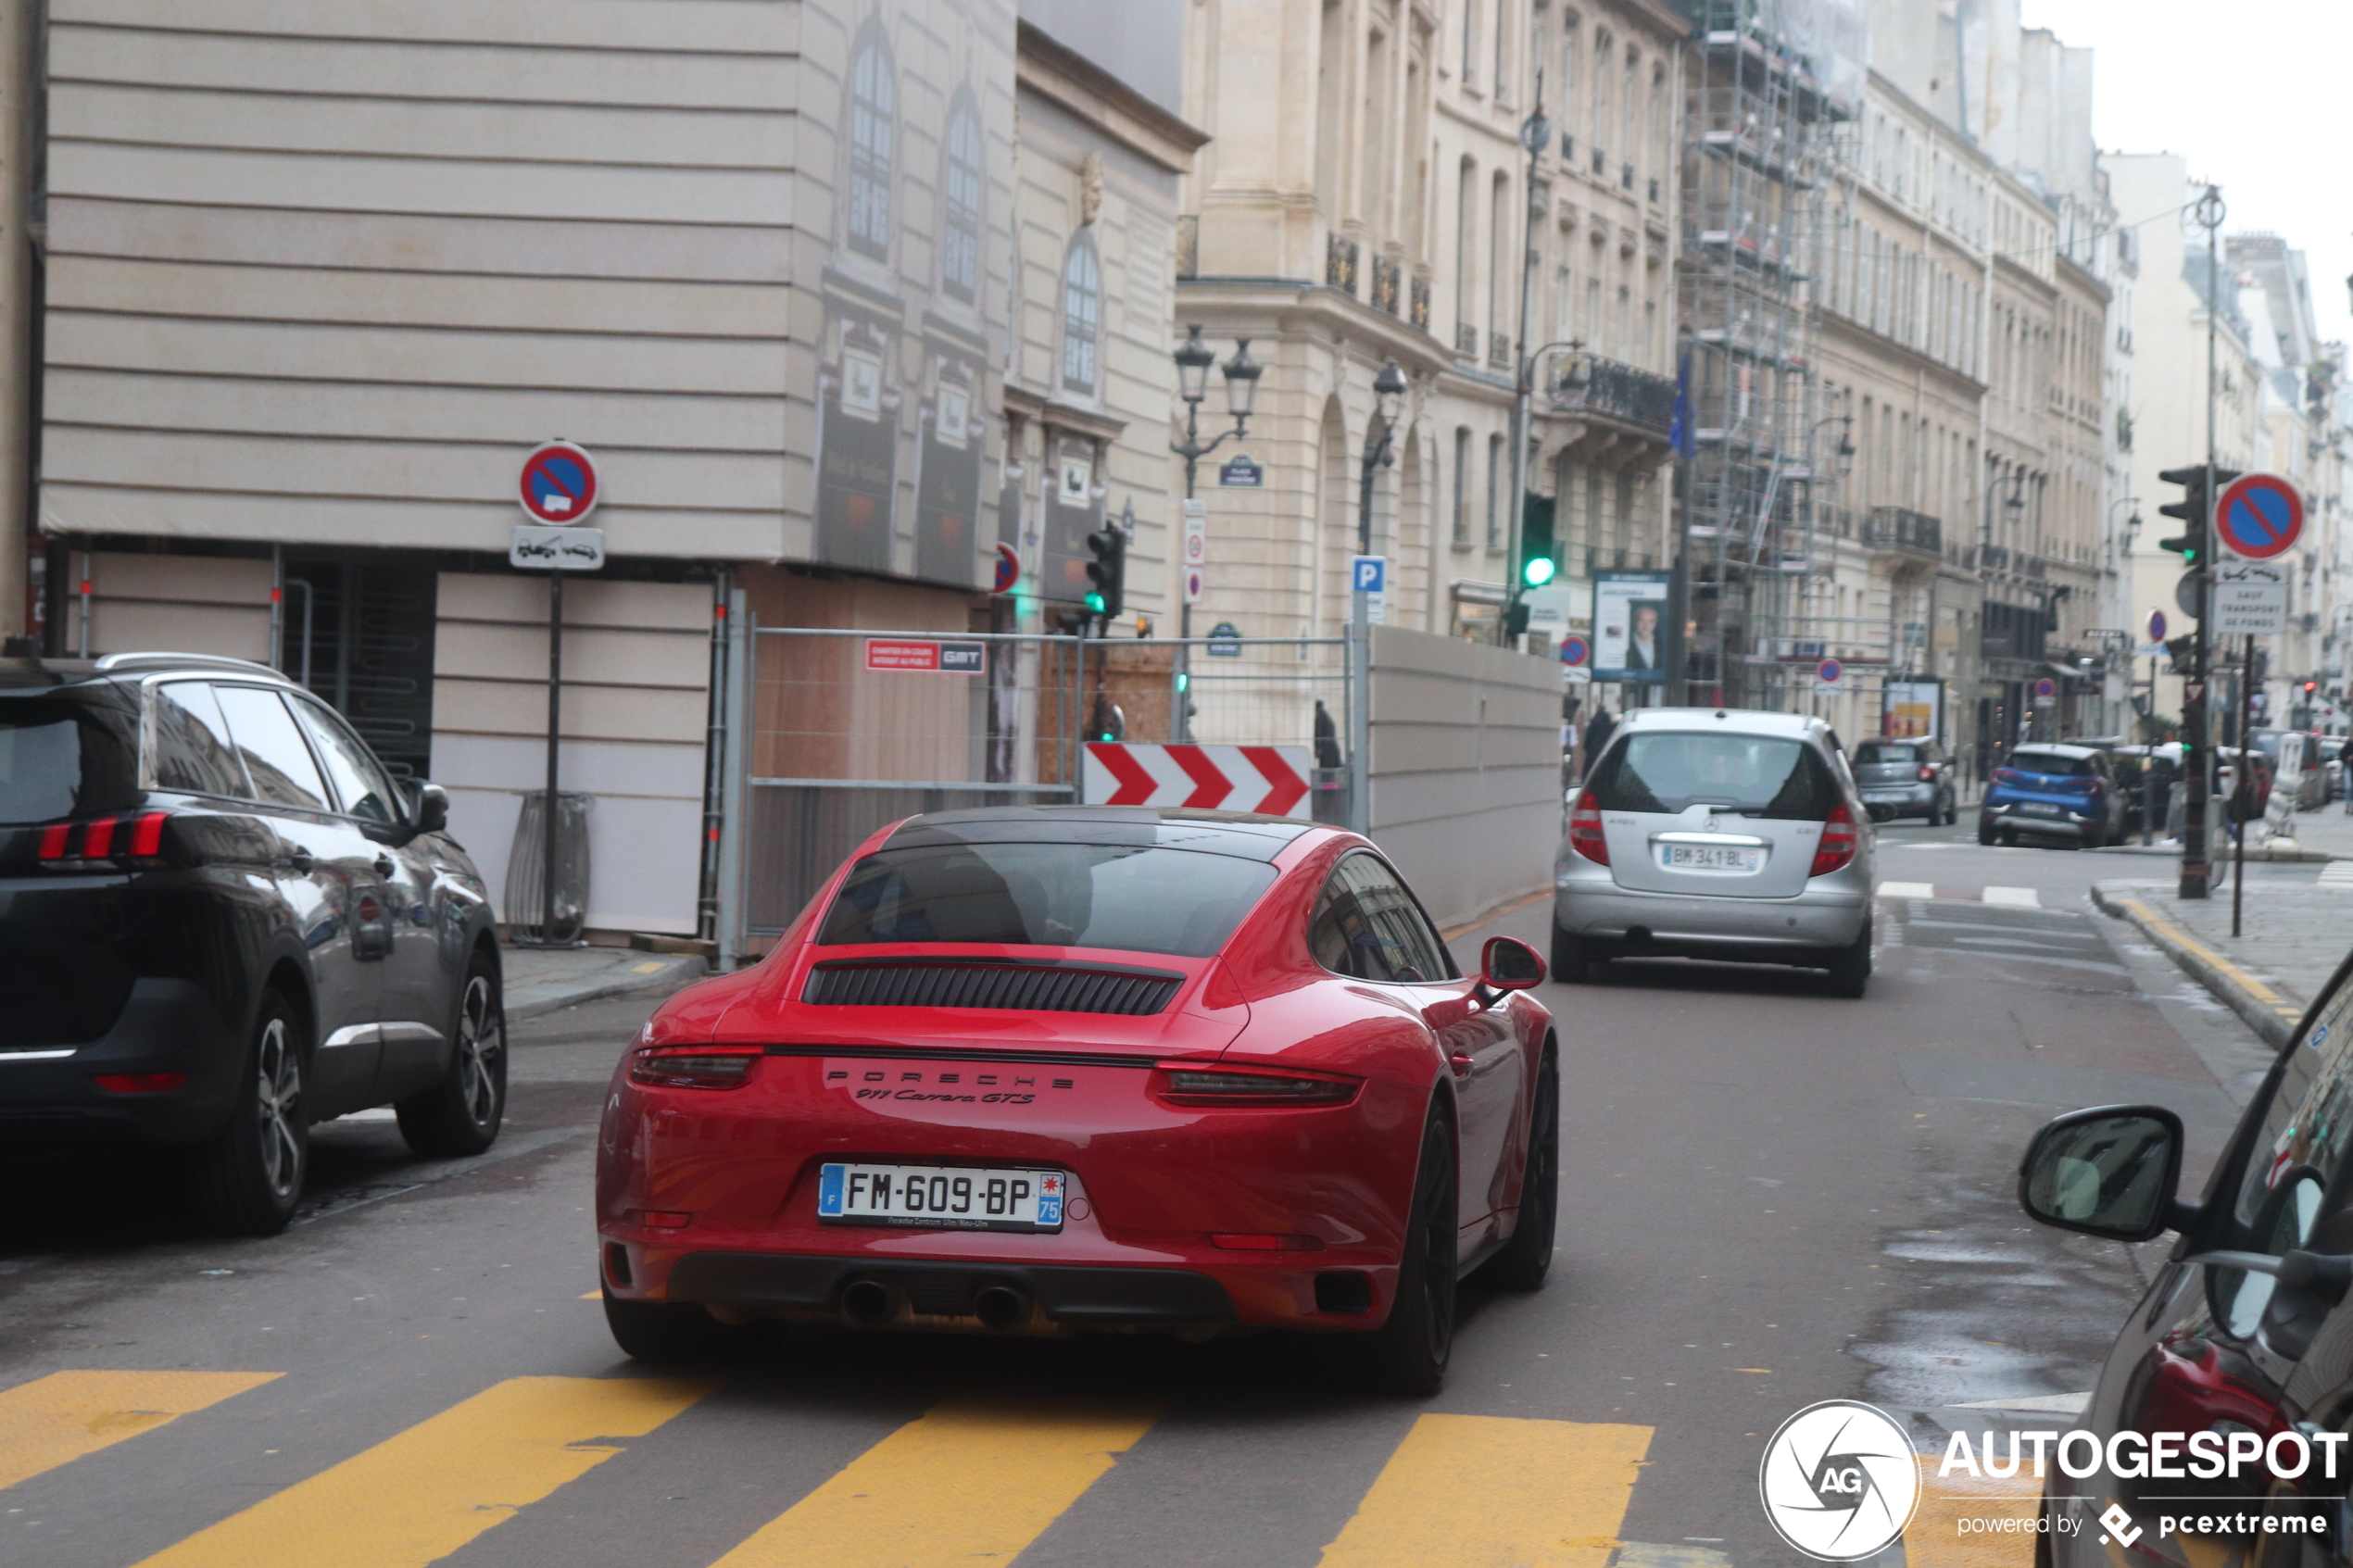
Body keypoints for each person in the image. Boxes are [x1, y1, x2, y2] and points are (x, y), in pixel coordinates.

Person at [1583, 705, 1617, 772]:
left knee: (1590, 770)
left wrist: (1586, 747)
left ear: (1597, 710)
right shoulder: (1609, 722)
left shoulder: (1594, 721)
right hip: (1604, 751)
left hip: (1593, 752)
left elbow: (1589, 736)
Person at [1628, 604, 1661, 671]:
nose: (1646, 626)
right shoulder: (1627, 643)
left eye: (1650, 622)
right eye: (1642, 621)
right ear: (1635, 622)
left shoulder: (1661, 643)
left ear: (1655, 624)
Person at [1313, 699, 1342, 771]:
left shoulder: (1320, 717)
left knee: (1326, 775)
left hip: (1327, 752)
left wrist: (1318, 748)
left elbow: (1318, 733)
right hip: (1332, 750)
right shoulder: (1326, 717)